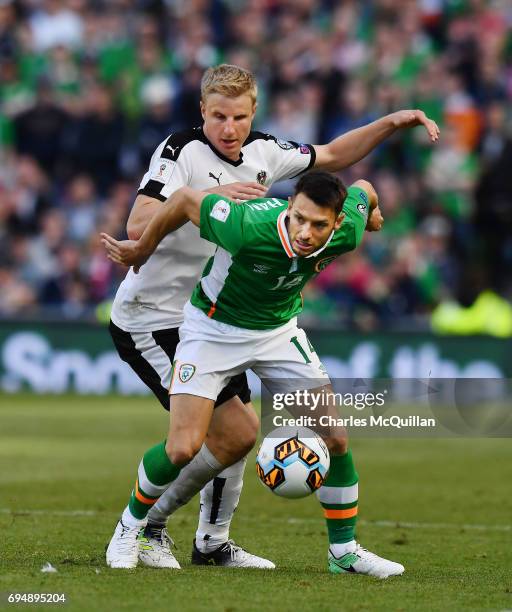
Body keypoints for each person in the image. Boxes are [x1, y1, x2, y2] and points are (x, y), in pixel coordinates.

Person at [108, 63, 439, 569]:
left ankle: (216, 544)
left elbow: (333, 158)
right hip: (156, 316)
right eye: (218, 116)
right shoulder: (180, 152)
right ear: (202, 112)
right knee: (214, 436)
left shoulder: (265, 153)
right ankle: (146, 529)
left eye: (239, 116)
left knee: (242, 434)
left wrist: (390, 123)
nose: (229, 128)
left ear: (253, 112)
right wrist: (216, 199)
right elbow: (138, 222)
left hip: (249, 313)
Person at [101, 170, 406, 578]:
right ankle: (129, 528)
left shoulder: (348, 231)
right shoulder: (247, 226)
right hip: (212, 330)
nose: (305, 232)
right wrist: (143, 248)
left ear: (336, 223)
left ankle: (343, 553)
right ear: (290, 205)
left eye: (319, 225)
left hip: (277, 333)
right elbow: (184, 200)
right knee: (183, 447)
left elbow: (364, 188)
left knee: (334, 437)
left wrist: (372, 210)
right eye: (299, 218)